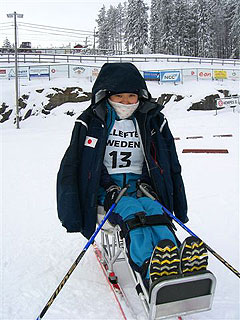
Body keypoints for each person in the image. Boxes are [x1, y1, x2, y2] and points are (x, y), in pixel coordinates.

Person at [57, 63, 208, 287]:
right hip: (106, 190)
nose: (126, 102)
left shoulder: (152, 119)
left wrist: (158, 191)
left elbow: (168, 162)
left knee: (155, 210)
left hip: (142, 186)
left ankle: (174, 258)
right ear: (106, 95)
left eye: (131, 96)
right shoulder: (91, 121)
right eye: (119, 96)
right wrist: (105, 190)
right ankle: (148, 264)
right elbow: (76, 165)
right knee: (130, 210)